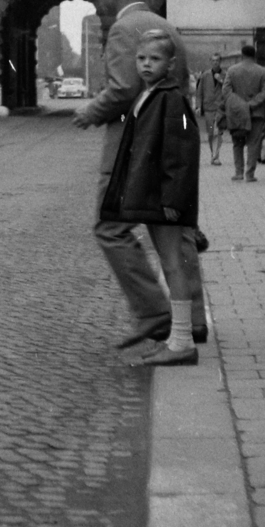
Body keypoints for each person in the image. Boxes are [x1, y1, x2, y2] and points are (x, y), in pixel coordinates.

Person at [70, 0, 206, 349]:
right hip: (172, 144)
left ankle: (153, 312)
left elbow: (124, 89)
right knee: (174, 230)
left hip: (134, 146)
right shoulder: (166, 26)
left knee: (110, 227)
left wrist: (89, 112)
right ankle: (192, 318)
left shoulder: (124, 29)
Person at [100, 30, 202, 366]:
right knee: (169, 263)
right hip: (156, 196)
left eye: (154, 59)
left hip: (165, 200)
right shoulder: (153, 94)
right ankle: (176, 337)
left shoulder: (170, 99)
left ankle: (183, 341)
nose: (146, 64)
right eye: (142, 58)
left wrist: (174, 201)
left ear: (170, 65)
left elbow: (182, 154)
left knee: (173, 265)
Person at [223, 43, 265, 181]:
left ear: (242, 55)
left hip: (237, 114)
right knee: (253, 144)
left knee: (237, 143)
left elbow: (226, 91)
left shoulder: (232, 71)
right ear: (254, 55)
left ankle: (238, 172)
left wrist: (239, 105)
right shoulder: (263, 71)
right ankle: (250, 174)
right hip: (256, 113)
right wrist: (250, 104)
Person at [198, 60, 227, 166]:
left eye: (217, 61)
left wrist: (221, 81)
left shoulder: (225, 75)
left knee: (218, 131)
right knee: (211, 132)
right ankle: (212, 153)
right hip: (208, 107)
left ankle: (216, 156)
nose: (215, 63)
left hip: (220, 107)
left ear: (220, 62)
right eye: (213, 61)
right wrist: (198, 106)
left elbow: (228, 89)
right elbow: (200, 91)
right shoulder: (205, 75)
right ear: (211, 62)